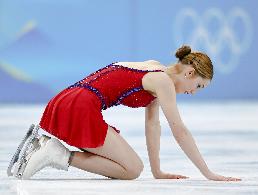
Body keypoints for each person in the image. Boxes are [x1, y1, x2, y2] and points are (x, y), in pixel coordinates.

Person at [8, 45, 241, 181]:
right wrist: (208, 173)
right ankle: (56, 154)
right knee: (131, 169)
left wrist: (157, 171)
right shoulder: (164, 82)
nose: (194, 92)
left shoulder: (157, 70)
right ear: (190, 73)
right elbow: (179, 130)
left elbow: (153, 125)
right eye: (199, 86)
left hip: (69, 98)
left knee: (134, 167)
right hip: (80, 106)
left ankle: (48, 149)